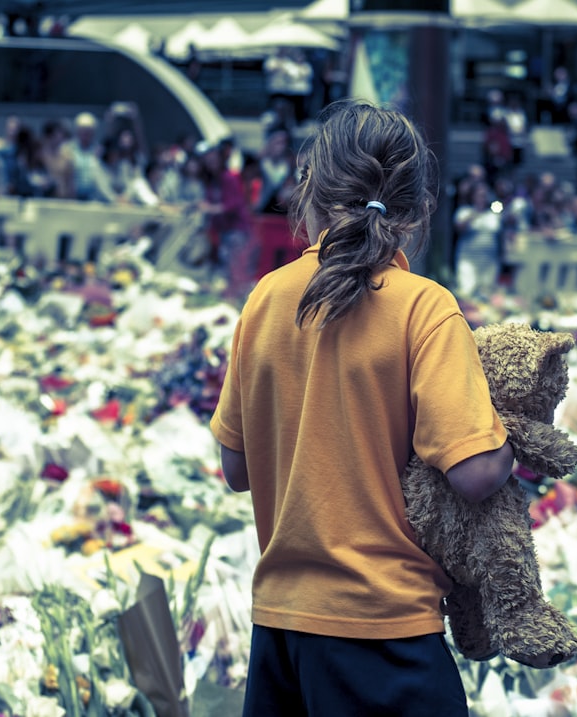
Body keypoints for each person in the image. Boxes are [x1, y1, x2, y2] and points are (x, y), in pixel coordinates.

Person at [210, 99, 512, 716]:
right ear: (417, 208)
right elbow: (475, 472)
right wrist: (513, 436)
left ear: (309, 190)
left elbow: (236, 469)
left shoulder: (266, 299)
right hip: (385, 632)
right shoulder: (423, 308)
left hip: (282, 633)